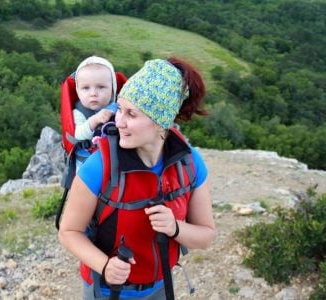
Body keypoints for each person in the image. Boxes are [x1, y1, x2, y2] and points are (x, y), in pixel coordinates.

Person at [58, 57, 216, 299]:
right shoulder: (99, 166)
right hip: (107, 291)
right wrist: (105, 265)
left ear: (161, 122)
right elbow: (69, 231)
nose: (118, 121)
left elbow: (206, 235)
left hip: (161, 285)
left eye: (131, 114)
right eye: (119, 109)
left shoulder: (189, 162)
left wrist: (175, 227)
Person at [73, 56, 118, 169]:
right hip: (87, 162)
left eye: (101, 87)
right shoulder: (79, 111)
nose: (93, 93)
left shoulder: (119, 107)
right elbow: (78, 135)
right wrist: (95, 120)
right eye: (86, 88)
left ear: (112, 89)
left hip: (115, 158)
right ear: (78, 91)